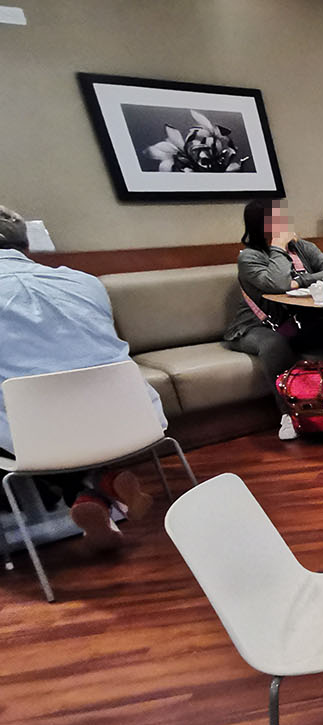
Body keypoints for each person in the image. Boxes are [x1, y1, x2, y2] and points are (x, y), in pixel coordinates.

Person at [0, 205, 160, 548]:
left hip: (37, 435)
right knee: (54, 415)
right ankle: (99, 489)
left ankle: (78, 496)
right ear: (27, 246)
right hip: (132, 419)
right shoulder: (83, 281)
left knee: (33, 420)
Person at [232, 198, 323, 440]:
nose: (285, 223)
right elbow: (276, 285)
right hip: (258, 325)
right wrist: (277, 248)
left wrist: (299, 281)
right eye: (277, 220)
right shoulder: (250, 258)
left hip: (298, 321)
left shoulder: (302, 248)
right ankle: (289, 414)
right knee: (273, 345)